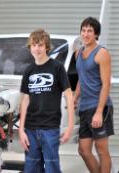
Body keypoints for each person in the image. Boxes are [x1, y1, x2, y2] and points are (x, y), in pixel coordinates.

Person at [19, 28, 74, 173]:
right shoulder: (28, 70)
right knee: (31, 168)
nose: (37, 49)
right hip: (30, 128)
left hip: (50, 128)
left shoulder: (57, 67)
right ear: (30, 47)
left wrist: (69, 126)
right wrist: (21, 130)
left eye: (41, 45)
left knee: (52, 168)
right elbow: (24, 100)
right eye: (34, 45)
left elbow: (69, 95)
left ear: (47, 47)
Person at [74, 17, 114, 173]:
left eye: (89, 30)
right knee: (83, 150)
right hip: (84, 108)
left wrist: (99, 112)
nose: (85, 34)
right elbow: (80, 79)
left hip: (100, 107)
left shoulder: (102, 53)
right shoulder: (78, 53)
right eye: (83, 30)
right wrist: (75, 98)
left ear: (96, 34)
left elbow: (106, 84)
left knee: (101, 149)